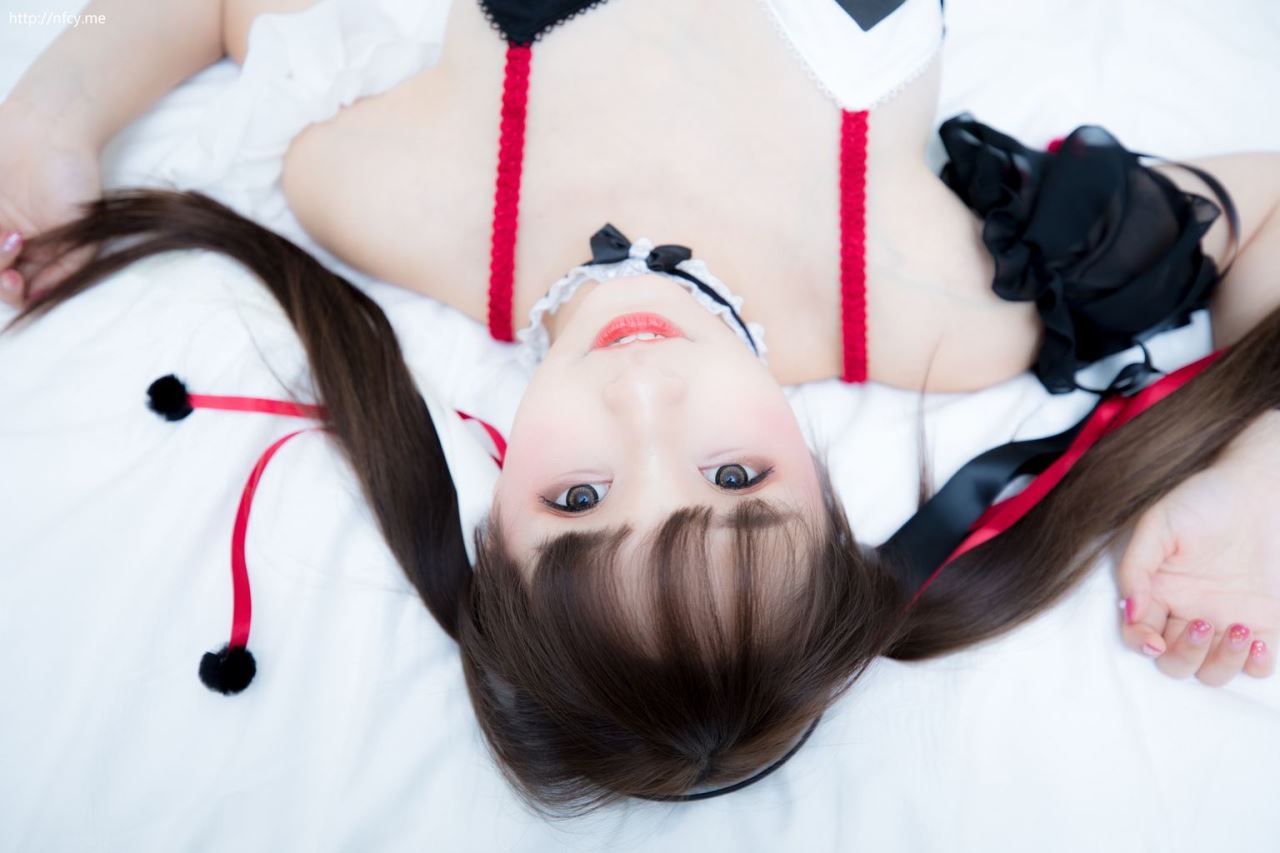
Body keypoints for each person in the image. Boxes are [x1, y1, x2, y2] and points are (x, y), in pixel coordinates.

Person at [2, 0, 1279, 815]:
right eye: (734, 480)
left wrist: (54, 114)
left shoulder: (383, 191)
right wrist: (1257, 466)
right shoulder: (932, 300)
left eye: (578, 496)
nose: (643, 395)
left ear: (493, 522)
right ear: (828, 495)